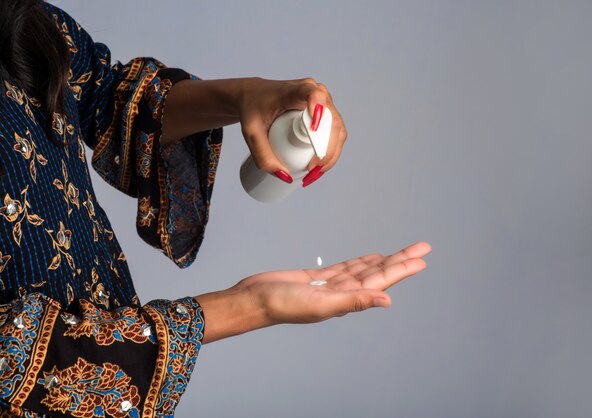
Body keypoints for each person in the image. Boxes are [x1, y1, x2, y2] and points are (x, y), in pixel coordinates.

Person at [0, 1, 432, 416]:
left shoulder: (25, 18)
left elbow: (105, 97)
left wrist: (246, 96)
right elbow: (13, 354)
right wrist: (247, 306)